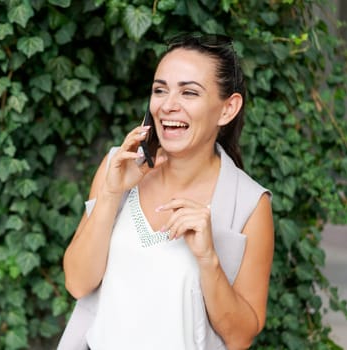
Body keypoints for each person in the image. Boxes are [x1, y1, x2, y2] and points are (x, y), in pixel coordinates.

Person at [61, 33, 274, 350]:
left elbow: (241, 336)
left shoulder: (249, 205)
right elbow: (78, 284)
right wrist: (110, 194)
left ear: (227, 109)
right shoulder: (115, 167)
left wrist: (208, 259)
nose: (168, 106)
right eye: (160, 90)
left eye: (189, 92)